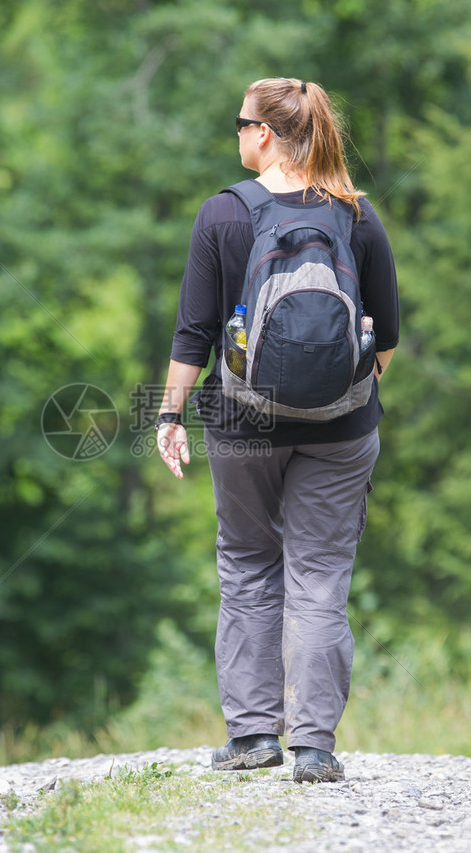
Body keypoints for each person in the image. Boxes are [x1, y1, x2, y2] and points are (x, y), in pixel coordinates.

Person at [154, 78, 399, 783]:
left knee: (248, 562)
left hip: (241, 419)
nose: (236, 135)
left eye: (240, 123)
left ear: (263, 134)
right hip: (343, 424)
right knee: (320, 575)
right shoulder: (357, 214)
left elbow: (194, 335)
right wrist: (343, 396)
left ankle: (254, 735)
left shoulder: (223, 215)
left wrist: (168, 415)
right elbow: (385, 337)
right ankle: (314, 747)